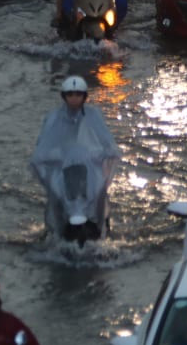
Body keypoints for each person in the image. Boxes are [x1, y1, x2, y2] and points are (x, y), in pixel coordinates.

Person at [31, 75, 122, 237]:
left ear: (85, 97)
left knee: (99, 189)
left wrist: (105, 152)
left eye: (78, 95)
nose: (74, 99)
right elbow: (44, 142)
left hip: (88, 162)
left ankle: (102, 226)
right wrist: (47, 156)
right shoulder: (54, 117)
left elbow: (105, 139)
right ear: (64, 97)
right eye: (70, 95)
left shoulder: (93, 115)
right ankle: (55, 228)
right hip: (62, 163)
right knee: (56, 193)